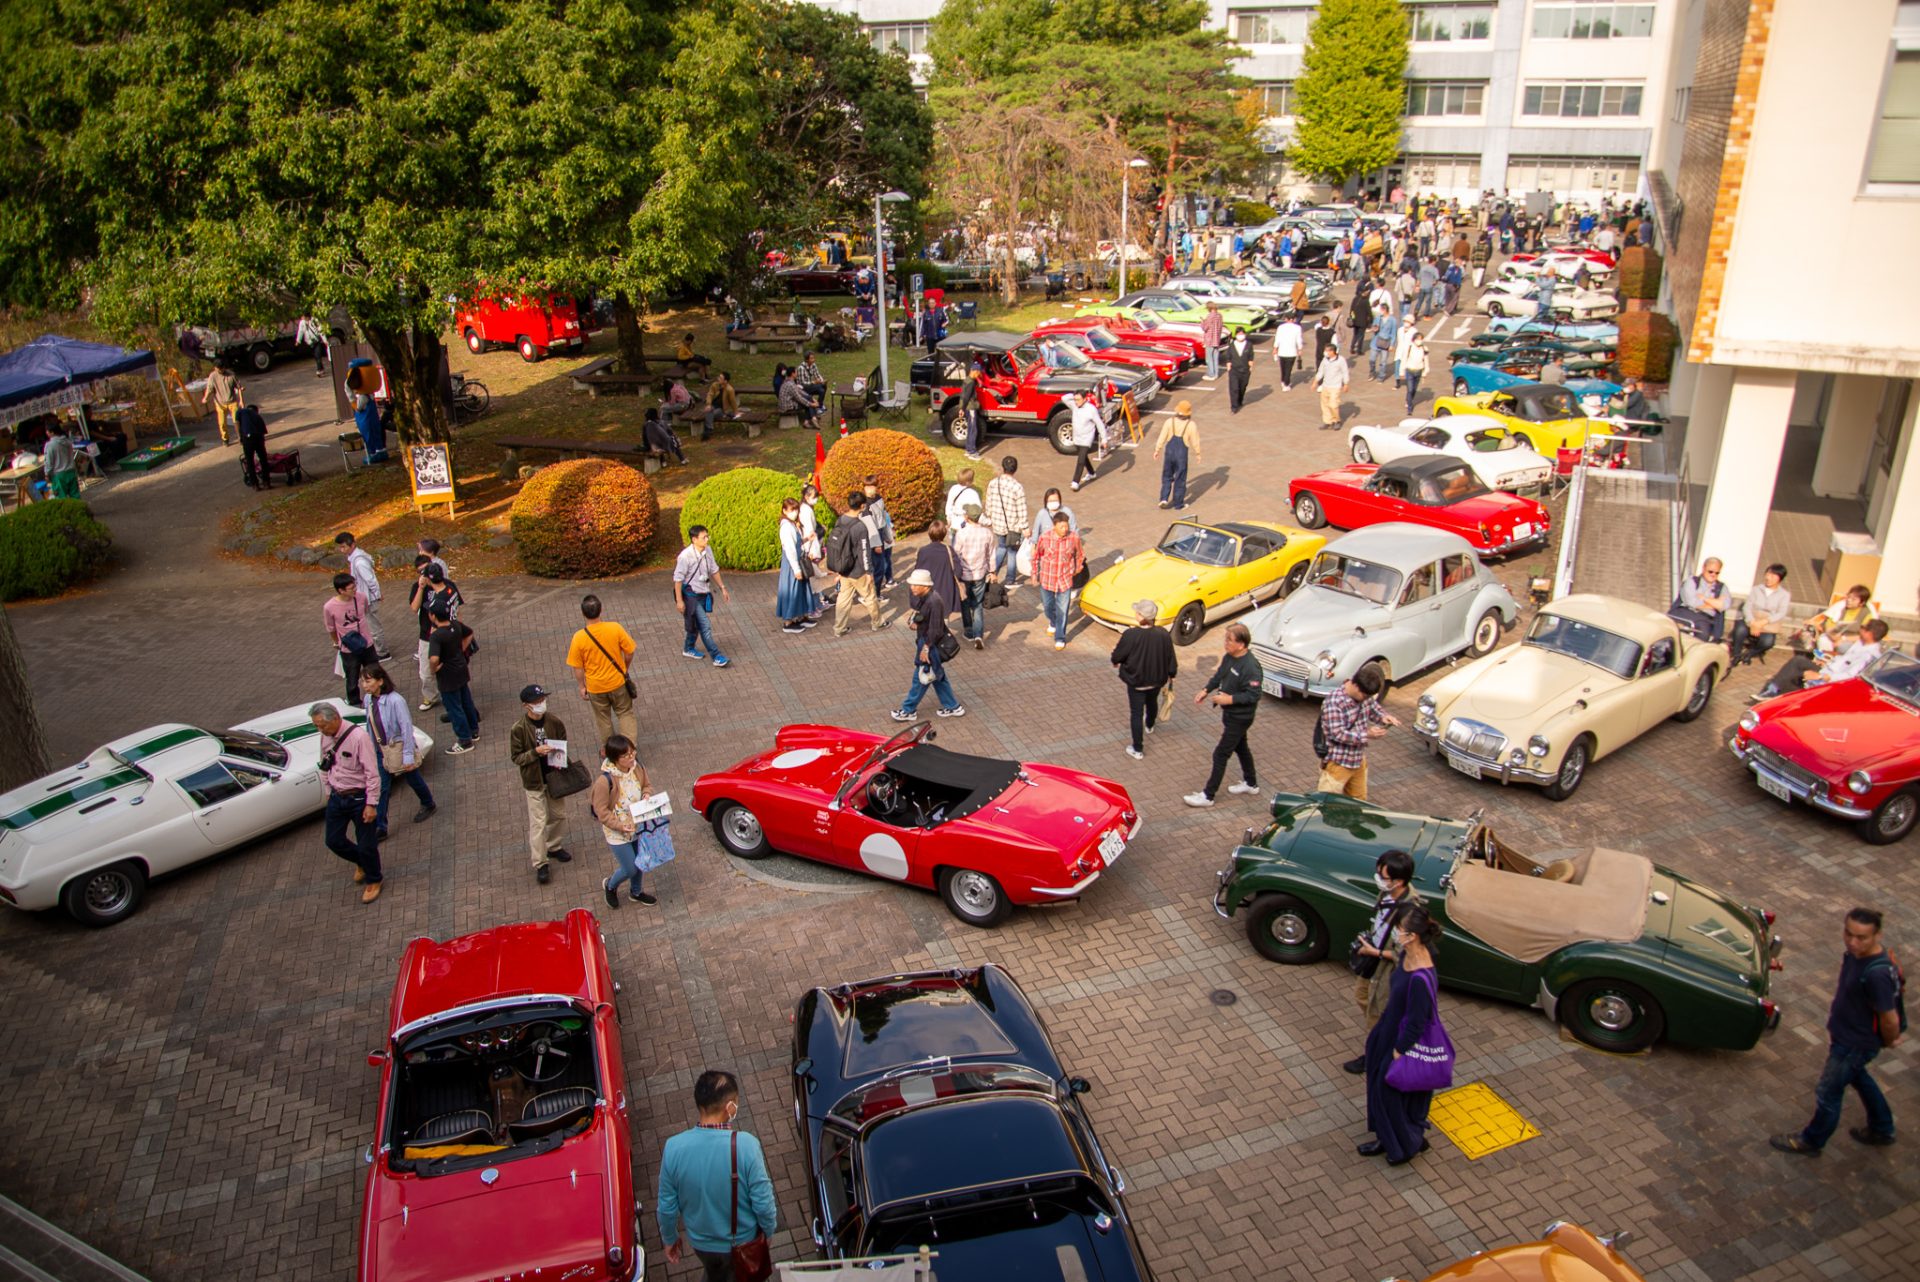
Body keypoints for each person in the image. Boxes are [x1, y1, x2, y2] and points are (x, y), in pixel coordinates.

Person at [1772, 908, 1903, 1155]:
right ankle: (1883, 1127)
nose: (1853, 942)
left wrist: (1889, 1039)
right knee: (1858, 1077)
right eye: (1848, 934)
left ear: (1877, 936)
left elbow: (1889, 1018)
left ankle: (1812, 1141)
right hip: (1848, 1036)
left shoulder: (1877, 975)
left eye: (1861, 937)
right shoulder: (1857, 955)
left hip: (1854, 1042)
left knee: (1828, 1091)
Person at [657, 1070, 778, 1282]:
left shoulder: (673, 1148)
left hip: (701, 1243)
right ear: (730, 1106)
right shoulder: (746, 1146)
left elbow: (666, 1207)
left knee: (714, 1274)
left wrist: (669, 1238)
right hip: (742, 1242)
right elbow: (763, 1204)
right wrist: (767, 1232)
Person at [1359, 902, 1443, 1165]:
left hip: (1400, 1041)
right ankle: (1393, 1138)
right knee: (1382, 1090)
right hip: (1387, 1031)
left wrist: (1399, 1050)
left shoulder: (1420, 975)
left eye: (1399, 928)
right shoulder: (1408, 954)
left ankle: (1404, 1145)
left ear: (1412, 935)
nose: (1395, 932)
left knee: (1388, 1094)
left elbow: (1418, 1020)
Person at [1342, 850, 1420, 1074]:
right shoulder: (1386, 894)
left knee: (1379, 1014)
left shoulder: (1409, 913)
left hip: (1385, 971)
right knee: (1363, 998)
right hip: (1372, 962)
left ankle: (1377, 1054)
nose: (1378, 879)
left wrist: (1374, 952)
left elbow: (1404, 954)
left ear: (1399, 881)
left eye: (1383, 876)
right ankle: (1380, 1043)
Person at [311, 701, 384, 903]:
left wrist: (371, 804)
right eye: (317, 726)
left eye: (322, 725)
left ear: (335, 718)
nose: (320, 729)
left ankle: (374, 878)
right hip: (337, 796)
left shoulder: (359, 738)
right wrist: (328, 791)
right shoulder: (325, 737)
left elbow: (372, 773)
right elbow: (324, 764)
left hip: (359, 798)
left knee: (367, 843)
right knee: (333, 840)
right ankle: (361, 861)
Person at [1183, 623, 1264, 807]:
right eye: (1225, 638)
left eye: (1230, 640)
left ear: (1241, 645)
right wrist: (1206, 689)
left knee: (1220, 754)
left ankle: (1208, 796)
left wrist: (1229, 700)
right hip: (1230, 716)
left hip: (1240, 718)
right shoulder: (1230, 657)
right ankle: (1251, 783)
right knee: (1241, 747)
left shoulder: (1251, 667)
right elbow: (1219, 675)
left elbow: (1253, 695)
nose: (1225, 643)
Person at [357, 662, 436, 839]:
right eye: (363, 682)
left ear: (380, 681)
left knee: (412, 777)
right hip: (380, 749)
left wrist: (408, 755)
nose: (365, 685)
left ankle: (428, 802)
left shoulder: (396, 701)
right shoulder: (368, 700)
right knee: (382, 787)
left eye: (368, 681)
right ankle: (381, 827)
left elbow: (406, 728)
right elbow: (370, 725)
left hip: (397, 748)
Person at [509, 684, 575, 885]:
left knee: (559, 815)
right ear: (526, 706)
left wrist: (558, 757)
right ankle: (540, 863)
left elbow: (562, 740)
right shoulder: (519, 729)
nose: (541, 704)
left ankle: (554, 846)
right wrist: (535, 753)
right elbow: (517, 757)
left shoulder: (554, 721)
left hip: (554, 777)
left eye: (542, 700)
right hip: (534, 781)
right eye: (536, 702)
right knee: (538, 822)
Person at [590, 734, 667, 908]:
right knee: (630, 867)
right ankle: (610, 885)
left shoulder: (637, 767)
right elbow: (601, 811)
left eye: (632, 753)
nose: (631, 758)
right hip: (617, 832)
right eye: (626, 756)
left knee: (640, 862)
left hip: (637, 824)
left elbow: (646, 784)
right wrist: (620, 825)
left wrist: (647, 794)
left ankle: (636, 892)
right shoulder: (604, 782)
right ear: (615, 759)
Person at [566, 594, 639, 745]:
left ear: (583, 613)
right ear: (601, 610)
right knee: (625, 714)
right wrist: (624, 668)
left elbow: (578, 667)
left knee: (603, 719)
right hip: (618, 682)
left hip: (595, 687)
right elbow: (630, 651)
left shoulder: (579, 637)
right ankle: (629, 749)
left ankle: (610, 751)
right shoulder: (615, 628)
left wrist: (582, 687)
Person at [892, 569, 965, 720]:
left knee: (921, 678)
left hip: (930, 645)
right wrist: (917, 622)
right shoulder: (926, 598)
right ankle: (953, 707)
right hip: (928, 643)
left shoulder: (934, 601)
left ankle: (908, 710)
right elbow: (924, 617)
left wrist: (926, 648)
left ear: (925, 586)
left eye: (915, 585)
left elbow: (936, 629)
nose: (912, 588)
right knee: (938, 677)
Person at [1755, 620, 1889, 701]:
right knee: (1798, 661)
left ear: (1869, 634)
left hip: (1832, 680)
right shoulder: (1861, 643)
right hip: (1828, 670)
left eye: (1863, 628)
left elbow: (1850, 675)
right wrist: (1827, 661)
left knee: (1795, 670)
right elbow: (1844, 660)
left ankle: (1775, 690)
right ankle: (1774, 689)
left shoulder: (1868, 655)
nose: (1860, 630)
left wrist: (1821, 675)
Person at [1317, 665, 1397, 799]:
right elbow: (1337, 733)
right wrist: (1367, 735)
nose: (1367, 699)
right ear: (1355, 686)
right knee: (1326, 804)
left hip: (1357, 760)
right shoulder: (1334, 702)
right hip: (1337, 763)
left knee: (1359, 801)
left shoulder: (1365, 696)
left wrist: (1383, 717)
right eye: (1365, 696)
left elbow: (1373, 708)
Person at [1111, 601, 1177, 760]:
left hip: (1136, 681)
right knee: (1152, 701)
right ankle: (1150, 725)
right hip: (1156, 679)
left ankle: (1137, 748)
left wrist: (1115, 660)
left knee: (1136, 713)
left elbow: (1118, 655)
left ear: (1140, 616)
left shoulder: (1131, 635)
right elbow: (1170, 657)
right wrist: (1171, 673)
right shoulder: (1163, 634)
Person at [827, 493, 887, 636]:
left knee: (843, 599)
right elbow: (864, 551)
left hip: (844, 568)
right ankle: (877, 623)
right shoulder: (860, 527)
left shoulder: (840, 520)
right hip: (858, 571)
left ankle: (839, 628)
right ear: (862, 506)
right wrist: (869, 572)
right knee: (870, 597)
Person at [673, 525, 733, 665]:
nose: (707, 539)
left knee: (695, 623)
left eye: (707, 536)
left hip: (703, 592)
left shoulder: (708, 550)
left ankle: (688, 648)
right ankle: (716, 656)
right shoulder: (685, 557)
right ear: (694, 539)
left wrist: (722, 587)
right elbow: (678, 579)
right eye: (704, 537)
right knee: (704, 625)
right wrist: (679, 601)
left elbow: (714, 569)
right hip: (690, 595)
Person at [426, 600, 478, 754]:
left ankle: (464, 740)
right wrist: (460, 650)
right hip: (461, 669)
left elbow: (434, 658)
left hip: (447, 675)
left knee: (454, 707)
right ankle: (474, 730)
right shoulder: (455, 625)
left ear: (433, 616)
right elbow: (469, 634)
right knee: (466, 700)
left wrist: (433, 669)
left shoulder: (436, 636)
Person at [410, 561, 461, 712]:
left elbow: (457, 608)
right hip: (426, 636)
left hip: (445, 634)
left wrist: (457, 628)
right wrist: (420, 587)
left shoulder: (449, 587)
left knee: (446, 668)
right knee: (426, 673)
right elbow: (414, 607)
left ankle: (451, 698)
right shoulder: (420, 587)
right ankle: (431, 696)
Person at [1032, 510, 1085, 651]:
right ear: (1054, 526)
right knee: (1048, 607)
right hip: (1047, 579)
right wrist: (1034, 574)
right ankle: (1053, 621)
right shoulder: (1045, 538)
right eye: (1062, 527)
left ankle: (1060, 637)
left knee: (1063, 609)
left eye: (1066, 526)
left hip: (1065, 580)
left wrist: (1078, 567)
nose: (1065, 529)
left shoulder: (1073, 538)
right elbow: (1036, 556)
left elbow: (1080, 554)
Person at [335, 532, 390, 658]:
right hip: (365, 597)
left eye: (344, 546)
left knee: (373, 625)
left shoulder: (359, 562)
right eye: (340, 547)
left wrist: (377, 594)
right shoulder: (356, 558)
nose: (342, 549)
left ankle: (382, 652)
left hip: (368, 599)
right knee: (369, 624)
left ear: (352, 545)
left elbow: (371, 580)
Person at [322, 572, 373, 703]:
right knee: (352, 677)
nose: (355, 589)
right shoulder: (329, 607)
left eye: (355, 586)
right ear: (341, 590)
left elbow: (365, 611)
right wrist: (336, 642)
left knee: (374, 671)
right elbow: (331, 628)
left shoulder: (361, 598)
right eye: (351, 588)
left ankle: (378, 695)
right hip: (348, 648)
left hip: (367, 643)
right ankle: (354, 702)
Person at [953, 504, 996, 650]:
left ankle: (969, 631)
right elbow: (991, 554)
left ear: (967, 517)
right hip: (980, 574)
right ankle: (979, 634)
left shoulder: (961, 534)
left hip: (965, 574)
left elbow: (956, 555)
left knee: (965, 602)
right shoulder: (987, 533)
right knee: (977, 605)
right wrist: (992, 571)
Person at [1730, 564, 1790, 667]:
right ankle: (1736, 654)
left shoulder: (1784, 595)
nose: (1768, 578)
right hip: (1752, 619)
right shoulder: (1756, 589)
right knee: (1740, 631)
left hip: (1767, 623)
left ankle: (1749, 654)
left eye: (1772, 576)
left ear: (1780, 578)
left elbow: (1781, 613)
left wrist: (1763, 622)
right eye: (1767, 574)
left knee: (1768, 642)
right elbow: (1747, 607)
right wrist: (1752, 622)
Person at [775, 498, 818, 635]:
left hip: (796, 561)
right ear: (785, 511)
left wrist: (806, 539)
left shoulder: (791, 524)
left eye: (796, 510)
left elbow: (795, 544)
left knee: (799, 590)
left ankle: (800, 617)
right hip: (792, 563)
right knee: (792, 591)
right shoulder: (786, 527)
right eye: (792, 510)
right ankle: (788, 622)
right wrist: (797, 569)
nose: (795, 513)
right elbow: (790, 549)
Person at [983, 456, 1028, 585]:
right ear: (1015, 469)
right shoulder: (1017, 487)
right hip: (1013, 526)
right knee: (1012, 551)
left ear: (1003, 468)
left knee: (1001, 547)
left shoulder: (993, 483)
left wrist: (989, 516)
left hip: (997, 523)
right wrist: (1024, 527)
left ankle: (992, 573)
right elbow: (1022, 510)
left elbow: (989, 502)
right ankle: (1009, 579)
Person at [1153, 401, 1201, 510]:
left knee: (1167, 476)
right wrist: (1198, 453)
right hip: (1181, 455)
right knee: (1180, 478)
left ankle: (1164, 498)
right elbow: (1195, 441)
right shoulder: (1191, 425)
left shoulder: (1169, 422)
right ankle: (1178, 504)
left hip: (1169, 453)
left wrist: (1157, 449)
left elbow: (1162, 436)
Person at [1672, 557, 1734, 641]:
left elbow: (1724, 605)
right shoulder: (1692, 581)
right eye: (1710, 571)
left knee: (1703, 635)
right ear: (1704, 568)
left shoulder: (1722, 587)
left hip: (1705, 618)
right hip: (1684, 612)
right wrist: (1714, 604)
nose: (1713, 574)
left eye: (1717, 573)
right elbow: (1691, 602)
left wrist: (1704, 598)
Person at [913, 520, 964, 615]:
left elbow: (917, 572)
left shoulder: (923, 551)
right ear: (944, 534)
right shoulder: (949, 551)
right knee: (943, 621)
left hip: (927, 593)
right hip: (945, 593)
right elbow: (958, 572)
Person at [862, 475, 898, 589]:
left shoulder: (879, 498)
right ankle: (874, 590)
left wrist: (889, 532)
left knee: (886, 558)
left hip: (883, 530)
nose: (870, 489)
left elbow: (884, 516)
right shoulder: (865, 504)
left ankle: (887, 580)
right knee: (878, 563)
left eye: (872, 486)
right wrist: (876, 543)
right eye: (867, 486)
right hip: (874, 534)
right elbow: (869, 525)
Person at [201, 361, 244, 446]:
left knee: (236, 420)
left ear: (224, 368)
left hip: (232, 401)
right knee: (222, 423)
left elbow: (239, 388)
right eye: (217, 369)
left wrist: (241, 401)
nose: (219, 371)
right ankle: (225, 439)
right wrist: (205, 398)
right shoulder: (213, 376)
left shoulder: (231, 375)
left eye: (221, 369)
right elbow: (209, 388)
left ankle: (240, 437)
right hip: (220, 403)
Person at [1067, 392, 1102, 491]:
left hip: (1087, 438)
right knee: (1083, 457)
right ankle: (1091, 473)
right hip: (1077, 438)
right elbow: (1064, 398)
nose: (1076, 402)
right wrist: (1073, 395)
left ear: (1085, 399)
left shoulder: (1091, 409)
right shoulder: (1074, 406)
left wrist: (1104, 438)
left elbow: (1099, 424)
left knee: (1080, 460)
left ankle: (1075, 482)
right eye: (1075, 399)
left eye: (1078, 399)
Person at [1313, 341, 1350, 431]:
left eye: (1327, 351)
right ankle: (1327, 422)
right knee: (1325, 405)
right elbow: (1321, 371)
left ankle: (1337, 420)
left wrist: (1346, 383)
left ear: (1333, 351)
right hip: (1325, 385)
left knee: (1333, 405)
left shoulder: (1341, 360)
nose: (1326, 352)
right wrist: (1315, 382)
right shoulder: (1325, 359)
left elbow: (1345, 372)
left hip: (1335, 386)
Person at [236, 403, 271, 488]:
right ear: (256, 411)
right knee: (263, 459)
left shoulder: (241, 411)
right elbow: (263, 433)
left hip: (248, 438)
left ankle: (255, 484)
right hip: (258, 438)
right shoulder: (258, 417)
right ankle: (266, 482)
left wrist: (239, 437)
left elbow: (236, 423)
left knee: (250, 461)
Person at [41, 424, 79, 498]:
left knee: (62, 498)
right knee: (75, 495)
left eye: (47, 431)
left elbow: (49, 462)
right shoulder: (67, 441)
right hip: (71, 471)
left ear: (52, 432)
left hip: (59, 475)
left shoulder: (50, 445)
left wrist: (47, 473)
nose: (46, 433)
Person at [700, 370, 739, 441]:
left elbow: (733, 402)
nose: (718, 379)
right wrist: (708, 404)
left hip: (722, 410)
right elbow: (710, 394)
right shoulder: (715, 385)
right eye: (719, 377)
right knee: (709, 410)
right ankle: (709, 429)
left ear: (725, 381)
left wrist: (736, 412)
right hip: (713, 406)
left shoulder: (730, 390)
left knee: (710, 413)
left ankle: (708, 430)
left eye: (721, 378)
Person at [1225, 327, 1254, 414]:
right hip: (1234, 370)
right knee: (1234, 388)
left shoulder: (1248, 345)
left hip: (1245, 370)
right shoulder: (1232, 345)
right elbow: (1228, 358)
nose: (1240, 336)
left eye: (1242, 334)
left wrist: (1250, 367)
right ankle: (1234, 407)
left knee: (1242, 387)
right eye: (1239, 334)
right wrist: (1229, 367)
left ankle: (1239, 400)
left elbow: (1251, 357)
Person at [1401, 331, 1429, 416]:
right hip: (1410, 370)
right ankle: (1410, 408)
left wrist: (1426, 371)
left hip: (1419, 371)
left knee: (1414, 389)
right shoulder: (1409, 347)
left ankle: (1408, 400)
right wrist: (1401, 371)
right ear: (1414, 340)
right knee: (1410, 389)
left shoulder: (1424, 348)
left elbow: (1426, 361)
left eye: (1421, 339)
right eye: (1418, 339)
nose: (1419, 341)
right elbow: (1404, 359)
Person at [1272, 312, 1302, 390]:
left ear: (1286, 319)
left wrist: (1275, 348)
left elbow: (1277, 339)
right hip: (1292, 352)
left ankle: (1283, 381)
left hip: (1282, 351)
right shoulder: (1297, 328)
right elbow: (1299, 340)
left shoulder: (1281, 327)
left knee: (1283, 367)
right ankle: (1286, 383)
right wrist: (1300, 349)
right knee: (1289, 368)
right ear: (1293, 319)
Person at [959, 367, 984, 459]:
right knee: (973, 430)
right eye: (978, 373)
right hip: (971, 408)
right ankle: (972, 452)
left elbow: (963, 395)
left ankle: (968, 449)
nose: (979, 375)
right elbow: (966, 397)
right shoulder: (971, 382)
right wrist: (962, 408)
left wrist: (961, 408)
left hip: (967, 408)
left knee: (970, 429)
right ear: (974, 371)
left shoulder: (967, 380)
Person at [1368, 306, 1398, 383]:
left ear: (1385, 310)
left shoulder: (1392, 320)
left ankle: (1381, 376)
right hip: (1376, 342)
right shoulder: (1378, 318)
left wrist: (1392, 345)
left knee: (1383, 362)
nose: (1380, 311)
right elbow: (1374, 327)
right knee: (1372, 359)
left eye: (1382, 310)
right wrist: (1373, 329)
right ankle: (1372, 372)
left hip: (1385, 343)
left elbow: (1394, 333)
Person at [1200, 303, 1225, 381]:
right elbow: (1221, 326)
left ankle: (1211, 374)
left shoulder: (1210, 316)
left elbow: (1205, 328)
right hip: (1216, 339)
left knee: (1209, 358)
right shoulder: (1219, 316)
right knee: (1215, 357)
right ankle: (1216, 373)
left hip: (1209, 339)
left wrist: (1202, 321)